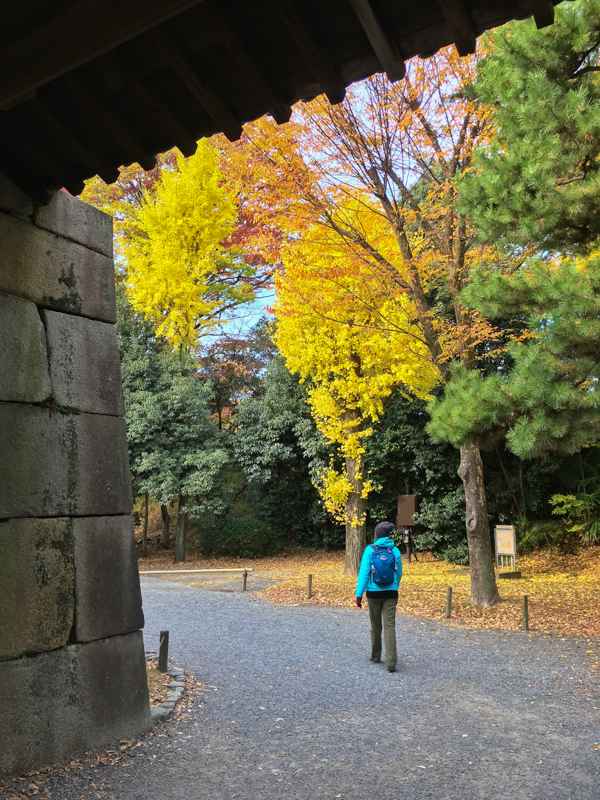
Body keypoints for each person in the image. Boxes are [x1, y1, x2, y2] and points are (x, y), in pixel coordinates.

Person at [355, 521, 402, 673]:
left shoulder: (370, 550)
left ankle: (375, 656)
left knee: (375, 625)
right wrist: (395, 586)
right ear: (388, 535)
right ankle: (391, 662)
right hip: (391, 592)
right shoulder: (395, 550)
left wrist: (358, 595)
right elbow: (399, 573)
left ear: (376, 534)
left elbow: (364, 573)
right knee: (390, 627)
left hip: (373, 593)